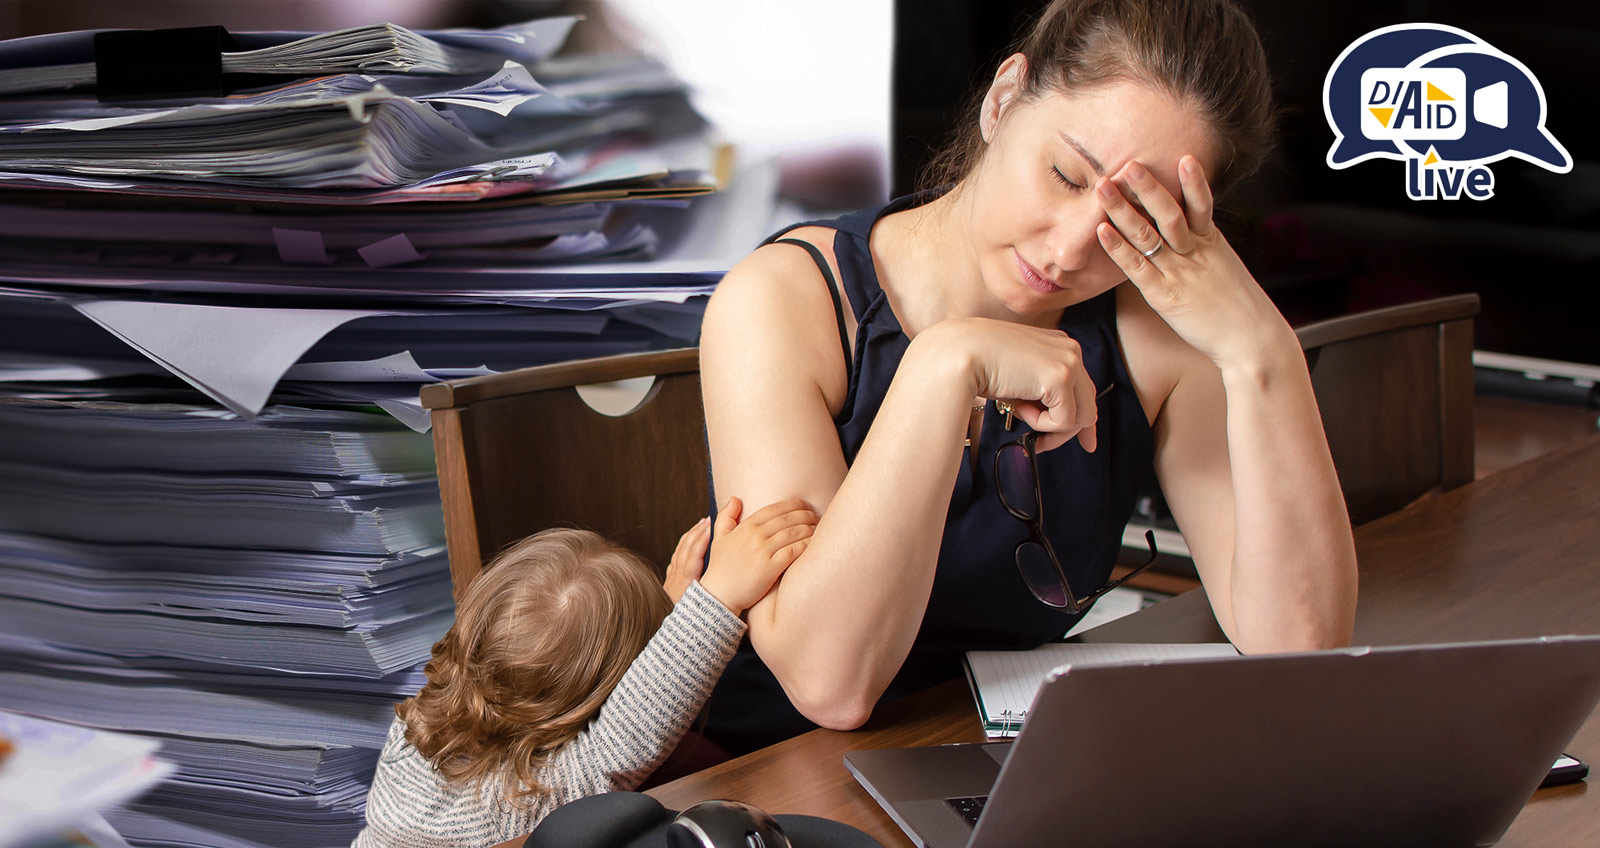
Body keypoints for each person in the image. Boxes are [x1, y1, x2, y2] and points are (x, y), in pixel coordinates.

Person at [698, 0, 1360, 754]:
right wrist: (945, 365)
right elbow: (830, 683)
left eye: (1138, 216)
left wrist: (1260, 347)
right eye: (1066, 175)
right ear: (1004, 99)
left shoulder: (1149, 333)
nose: (1074, 250)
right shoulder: (787, 302)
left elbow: (1299, 648)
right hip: (766, 782)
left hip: (1000, 769)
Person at [353, 497, 817, 848]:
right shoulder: (521, 804)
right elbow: (630, 731)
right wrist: (718, 598)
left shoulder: (416, 726)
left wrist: (669, 612)